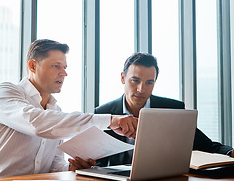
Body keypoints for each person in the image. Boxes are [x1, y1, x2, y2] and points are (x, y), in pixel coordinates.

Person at [0, 39, 137, 179]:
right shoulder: (6, 93)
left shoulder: (55, 110)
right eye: (56, 66)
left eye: (64, 67)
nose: (64, 73)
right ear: (32, 66)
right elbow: (36, 123)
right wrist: (109, 121)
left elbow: (53, 164)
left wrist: (70, 169)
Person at [94, 52, 233, 167]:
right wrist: (86, 165)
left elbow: (205, 144)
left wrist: (230, 152)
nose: (141, 89)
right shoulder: (103, 113)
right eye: (135, 80)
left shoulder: (173, 109)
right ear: (123, 78)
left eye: (149, 82)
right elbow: (97, 161)